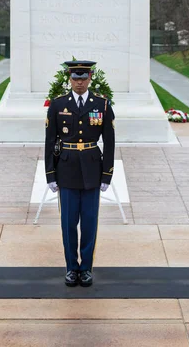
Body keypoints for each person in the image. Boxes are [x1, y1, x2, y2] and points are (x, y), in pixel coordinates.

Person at [45, 60, 115, 287]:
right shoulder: (57, 105)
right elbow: (49, 141)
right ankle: (71, 268)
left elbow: (110, 143)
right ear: (69, 78)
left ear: (90, 78)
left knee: (89, 223)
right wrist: (50, 174)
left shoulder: (102, 105)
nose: (79, 83)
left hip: (92, 170)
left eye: (83, 78)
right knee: (68, 223)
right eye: (75, 78)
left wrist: (107, 175)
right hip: (66, 170)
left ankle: (85, 268)